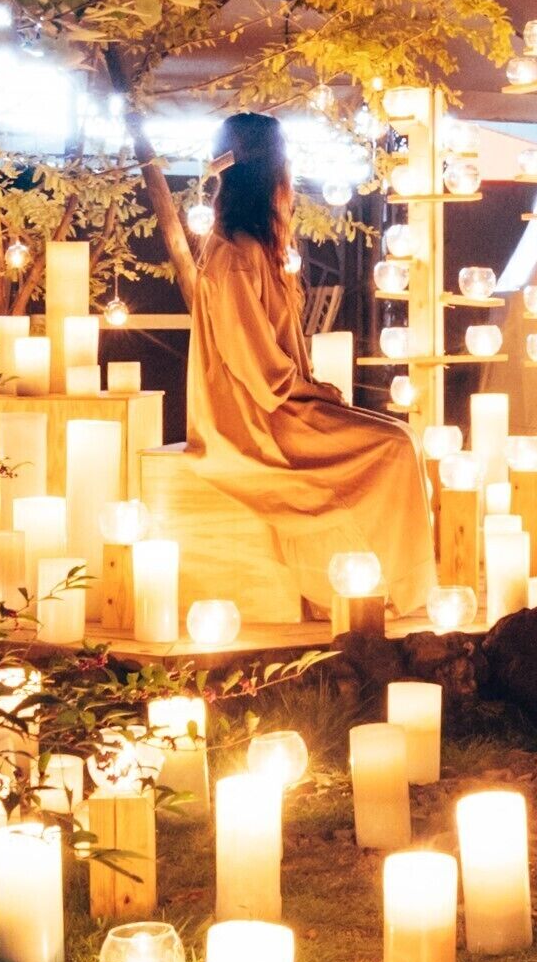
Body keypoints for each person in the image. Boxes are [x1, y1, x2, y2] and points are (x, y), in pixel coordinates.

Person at [184, 114, 434, 614]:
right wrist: (313, 394)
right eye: (286, 168)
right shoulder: (233, 256)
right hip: (256, 421)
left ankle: (386, 585)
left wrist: (313, 389)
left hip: (283, 401)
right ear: (268, 177)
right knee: (392, 448)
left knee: (401, 441)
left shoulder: (259, 250)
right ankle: (383, 591)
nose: (291, 182)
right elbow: (256, 370)